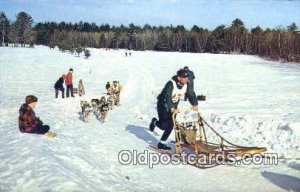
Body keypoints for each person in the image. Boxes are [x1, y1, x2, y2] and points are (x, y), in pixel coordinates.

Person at [149, 69, 198, 150]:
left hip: (173, 106)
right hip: (163, 105)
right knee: (164, 126)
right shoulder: (170, 84)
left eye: (187, 77)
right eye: (184, 77)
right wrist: (171, 107)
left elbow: (191, 94)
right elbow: (167, 96)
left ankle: (162, 143)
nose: (187, 79)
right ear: (179, 78)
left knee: (171, 124)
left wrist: (195, 104)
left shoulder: (187, 84)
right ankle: (154, 122)